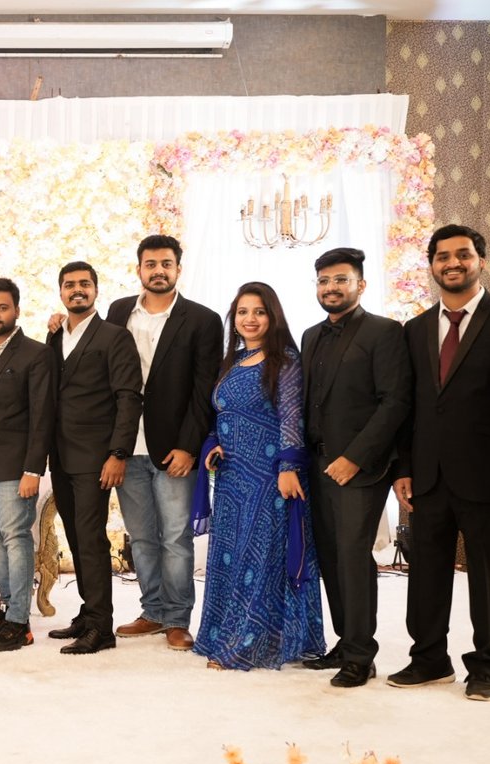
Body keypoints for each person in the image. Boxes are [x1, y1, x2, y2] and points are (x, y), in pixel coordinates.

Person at [390, 224, 490, 702]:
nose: (452, 263)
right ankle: (429, 659)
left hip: (489, 481)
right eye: (442, 256)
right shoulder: (415, 329)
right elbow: (409, 407)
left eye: (463, 255)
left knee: (487, 577)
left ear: (481, 261)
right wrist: (403, 468)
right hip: (428, 477)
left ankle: (485, 668)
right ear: (432, 265)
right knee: (425, 576)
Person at [192, 282, 325, 670]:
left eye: (259, 312)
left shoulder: (284, 361)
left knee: (261, 557)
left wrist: (288, 468)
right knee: (232, 557)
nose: (250, 319)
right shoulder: (231, 362)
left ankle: (247, 645)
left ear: (273, 317)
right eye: (243, 312)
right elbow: (220, 414)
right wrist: (213, 444)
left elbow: (291, 417)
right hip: (231, 479)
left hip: (269, 478)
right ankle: (222, 634)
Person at [102, 236, 223, 651]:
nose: (158, 270)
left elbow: (204, 389)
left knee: (175, 537)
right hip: (126, 445)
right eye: (150, 264)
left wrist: (189, 446)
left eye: (166, 264)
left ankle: (176, 618)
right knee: (141, 536)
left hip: (174, 449)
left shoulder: (203, 320)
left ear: (178, 269)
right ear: (139, 269)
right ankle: (152, 611)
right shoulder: (118, 311)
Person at [298, 248, 412, 688]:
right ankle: (346, 642)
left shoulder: (384, 332)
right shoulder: (311, 335)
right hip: (316, 464)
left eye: (341, 280)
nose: (331, 288)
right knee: (329, 557)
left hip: (359, 468)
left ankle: (362, 656)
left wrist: (354, 457)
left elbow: (395, 402)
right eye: (324, 280)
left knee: (352, 556)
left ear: (360, 285)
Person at [46, 261, 144, 655]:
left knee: (91, 540)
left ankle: (102, 628)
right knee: (75, 537)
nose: (77, 290)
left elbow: (128, 397)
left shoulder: (114, 337)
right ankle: (88, 614)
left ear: (96, 290)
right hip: (60, 456)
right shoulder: (55, 335)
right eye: (69, 285)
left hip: (95, 457)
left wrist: (118, 453)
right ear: (61, 292)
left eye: (84, 284)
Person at [0, 278, 54, 652]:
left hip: (17, 466)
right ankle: (6, 609)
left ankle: (20, 622)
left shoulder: (35, 354)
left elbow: (42, 416)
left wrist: (33, 469)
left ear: (16, 310)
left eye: (2, 308)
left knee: (17, 537)